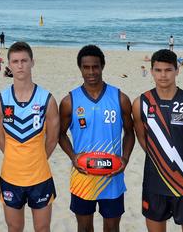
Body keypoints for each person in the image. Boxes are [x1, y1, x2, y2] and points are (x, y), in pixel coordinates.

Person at [132, 49, 183, 232]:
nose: (163, 75)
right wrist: (161, 161)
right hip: (153, 183)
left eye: (168, 70)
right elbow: (141, 138)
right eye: (158, 70)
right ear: (151, 71)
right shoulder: (140, 103)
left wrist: (181, 162)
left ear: (177, 70)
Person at [59, 45, 135, 232]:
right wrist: (73, 157)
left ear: (102, 66)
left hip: (112, 176)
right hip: (83, 176)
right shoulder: (70, 101)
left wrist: (125, 159)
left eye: (95, 67)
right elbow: (60, 134)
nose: (91, 72)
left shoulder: (120, 98)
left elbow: (130, 132)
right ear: (80, 68)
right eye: (86, 67)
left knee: (112, 228)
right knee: (84, 228)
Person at [0, 42, 60, 232]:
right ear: (9, 65)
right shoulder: (0, 101)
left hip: (40, 177)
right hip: (11, 177)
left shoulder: (47, 99)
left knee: (43, 228)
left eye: (24, 61)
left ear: (32, 62)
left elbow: (52, 139)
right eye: (15, 61)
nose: (20, 65)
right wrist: (15, 155)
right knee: (14, 228)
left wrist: (36, 157)